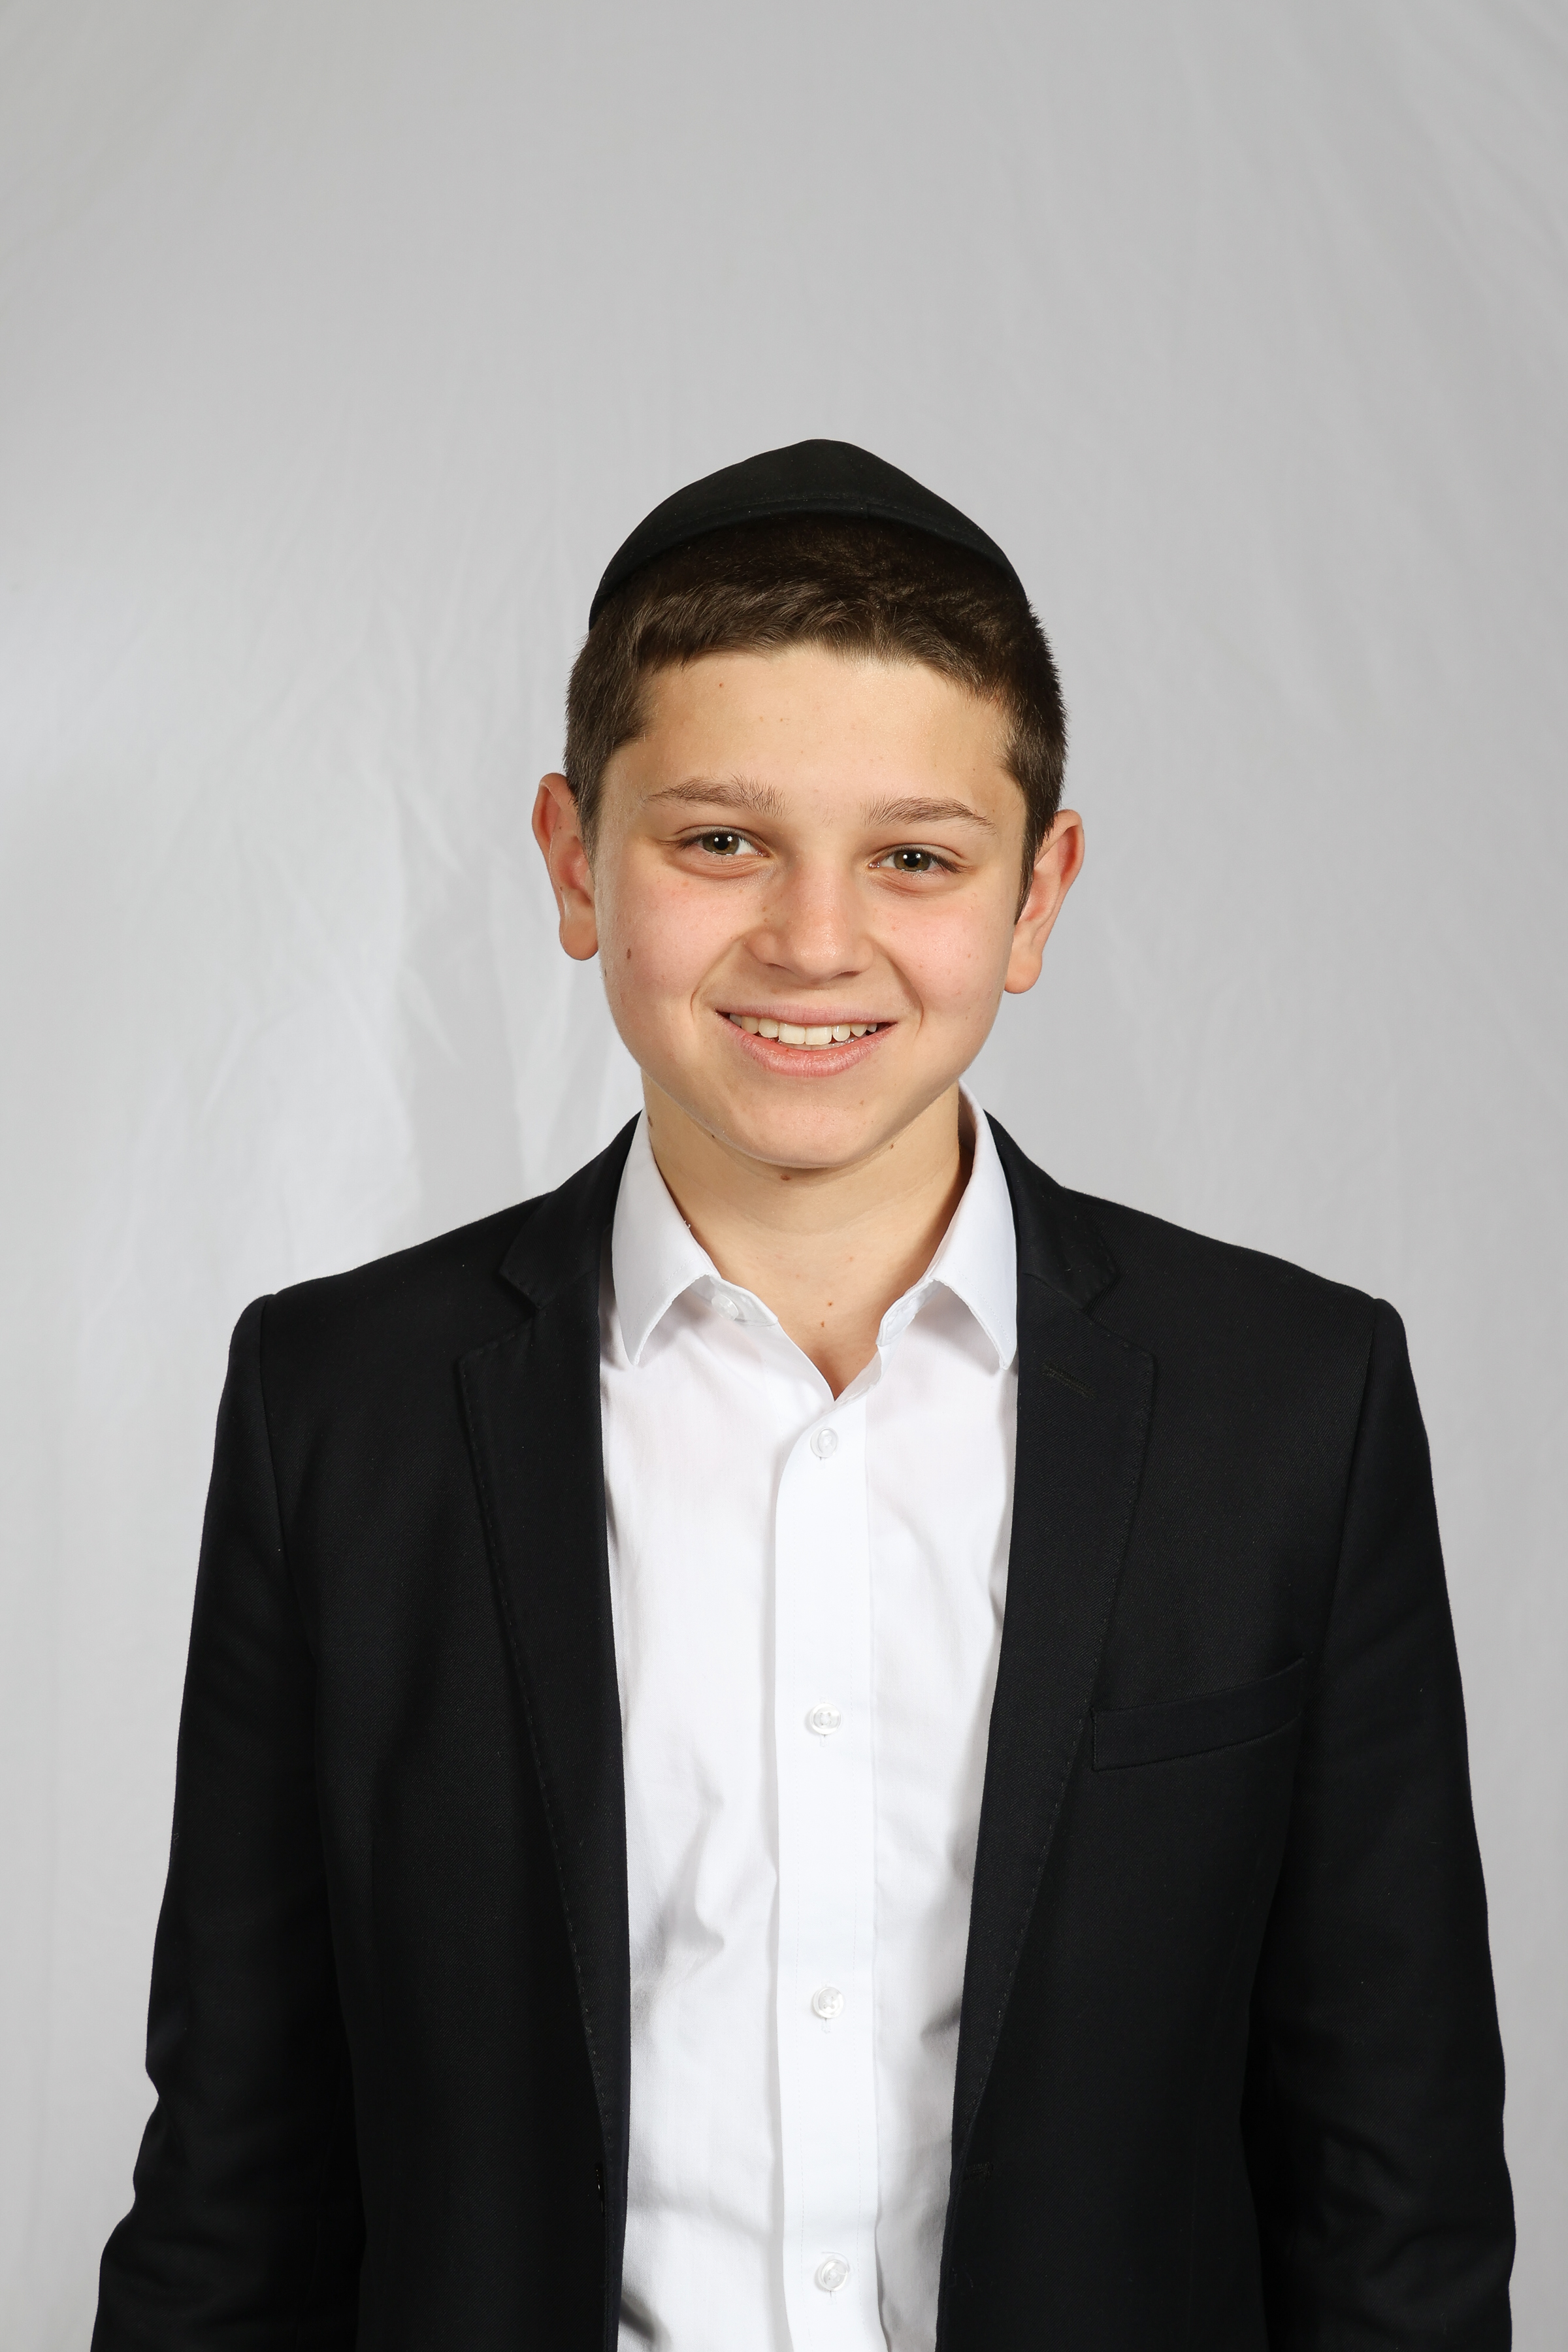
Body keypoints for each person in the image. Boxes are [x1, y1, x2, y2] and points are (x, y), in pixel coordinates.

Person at [93, 441, 1512, 2351]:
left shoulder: (1290, 1405)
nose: (815, 940)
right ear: (574, 860)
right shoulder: (340, 1406)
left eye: (915, 857)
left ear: (1037, 894)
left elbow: (1393, 2190)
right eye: (720, 842)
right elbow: (237, 2177)